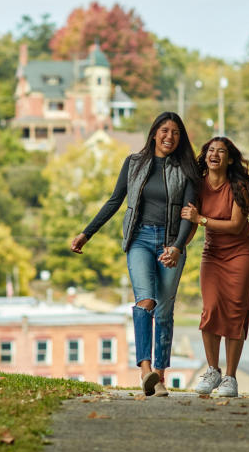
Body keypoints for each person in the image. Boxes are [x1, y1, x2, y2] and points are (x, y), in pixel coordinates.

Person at [70, 111, 199, 396]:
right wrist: (87, 232)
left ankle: (161, 378)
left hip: (170, 243)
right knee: (146, 301)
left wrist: (177, 247)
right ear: (154, 133)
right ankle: (145, 371)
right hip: (139, 238)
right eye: (165, 130)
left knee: (164, 311)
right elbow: (115, 201)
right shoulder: (134, 163)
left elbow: (189, 214)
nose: (170, 136)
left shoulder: (186, 170)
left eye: (176, 132)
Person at [180, 135, 249, 398]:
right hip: (212, 253)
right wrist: (178, 246)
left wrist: (201, 219)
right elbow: (191, 224)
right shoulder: (197, 186)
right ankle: (212, 370)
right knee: (211, 309)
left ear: (229, 159)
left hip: (241, 254)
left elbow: (236, 226)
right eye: (210, 150)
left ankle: (230, 377)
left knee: (235, 313)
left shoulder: (238, 186)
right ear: (205, 156)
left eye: (221, 151)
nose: (214, 154)